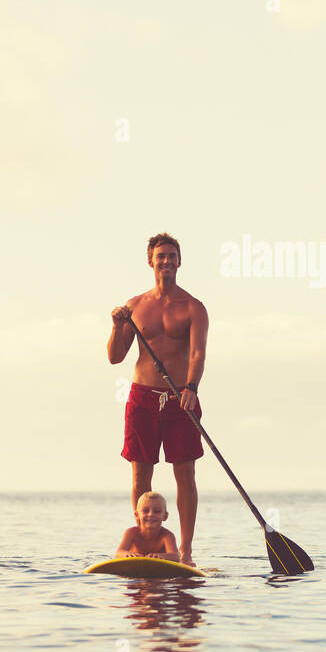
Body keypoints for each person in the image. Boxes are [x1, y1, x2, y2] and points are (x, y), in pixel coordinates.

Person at [108, 232, 208, 568]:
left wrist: (191, 387)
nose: (165, 261)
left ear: (179, 261)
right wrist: (115, 326)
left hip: (181, 397)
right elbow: (115, 357)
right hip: (142, 398)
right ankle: (141, 544)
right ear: (150, 261)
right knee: (140, 476)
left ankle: (186, 551)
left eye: (171, 256)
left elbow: (196, 353)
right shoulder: (135, 306)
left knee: (185, 474)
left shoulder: (193, 307)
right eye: (160, 256)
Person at [114, 491, 181, 562]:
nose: (151, 514)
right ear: (137, 515)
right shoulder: (131, 533)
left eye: (157, 511)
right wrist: (127, 555)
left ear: (165, 516)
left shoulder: (167, 536)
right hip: (135, 564)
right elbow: (118, 553)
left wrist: (161, 556)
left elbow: (176, 557)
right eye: (145, 511)